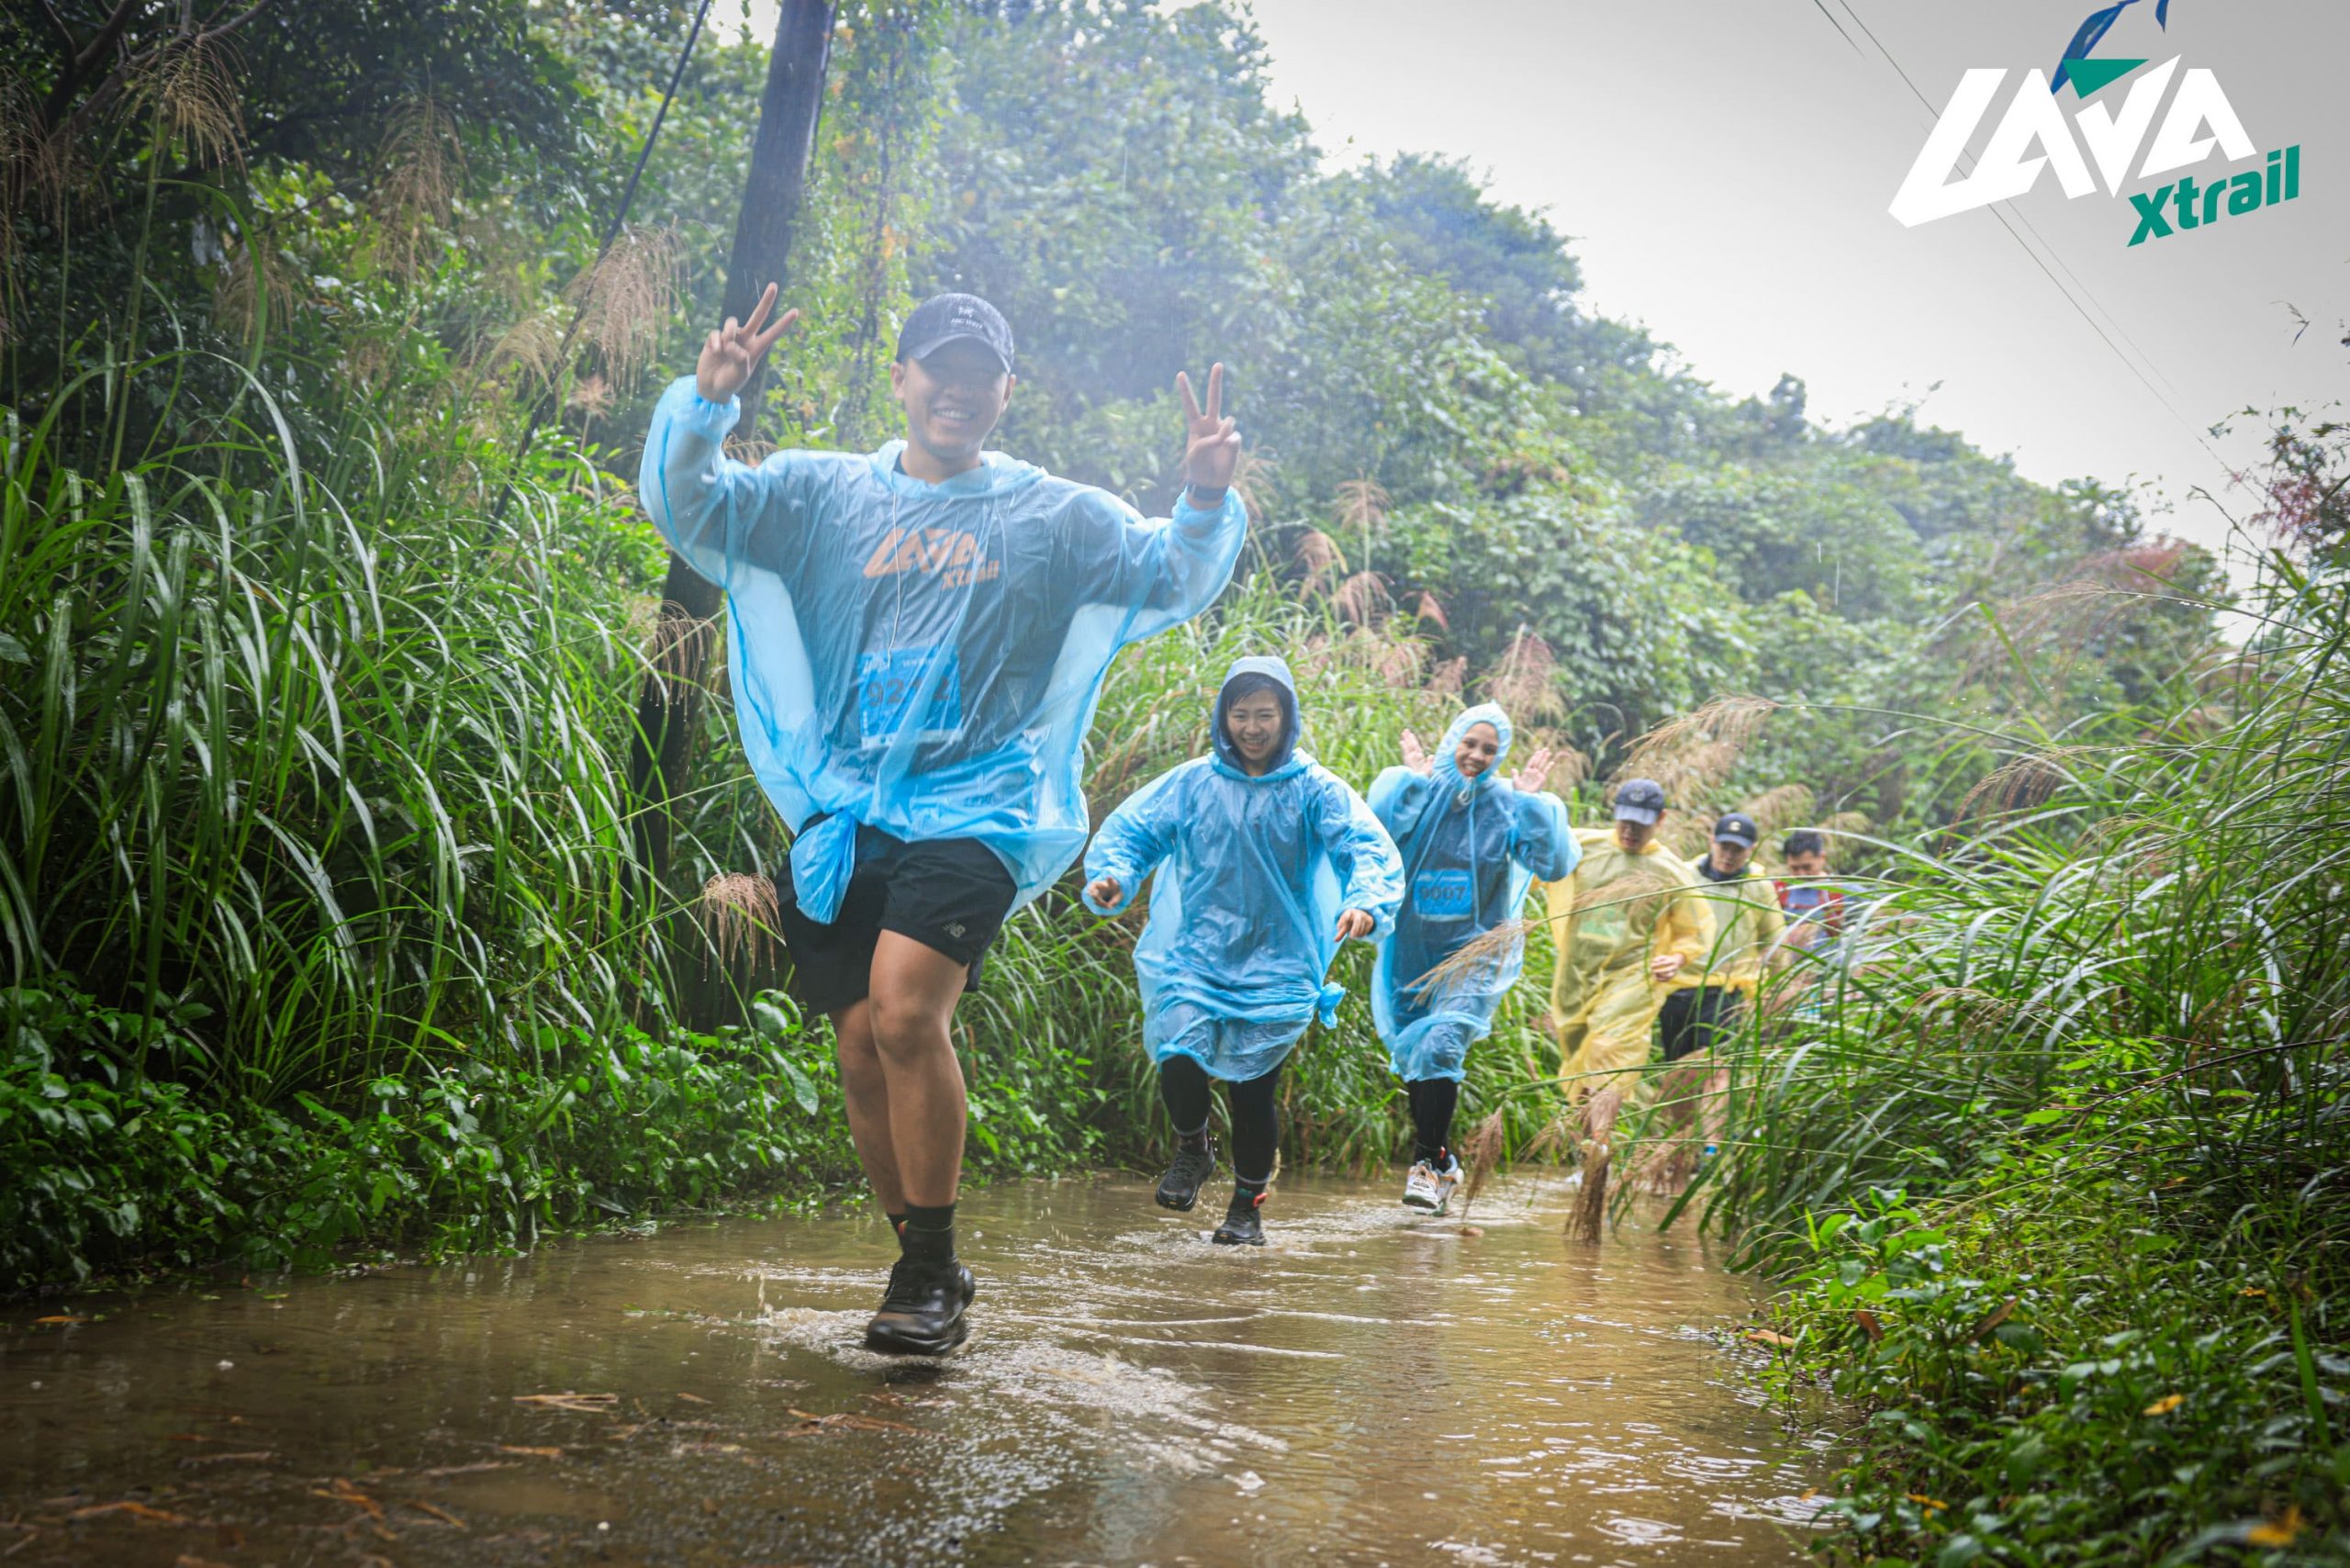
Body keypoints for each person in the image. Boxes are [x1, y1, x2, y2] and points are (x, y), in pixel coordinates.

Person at [639, 287, 1245, 1355]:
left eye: (978, 372)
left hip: (981, 807)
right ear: (903, 378)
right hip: (849, 805)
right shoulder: (822, 495)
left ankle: (922, 1274)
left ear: (1007, 391)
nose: (955, 388)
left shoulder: (1054, 515)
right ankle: (926, 1256)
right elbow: (695, 510)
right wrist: (705, 406)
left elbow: (1169, 572)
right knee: (862, 1046)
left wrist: (1201, 497)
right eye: (937, 366)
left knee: (906, 1009)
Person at [1081, 656, 1404, 1247]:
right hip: (1198, 953)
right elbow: (1135, 833)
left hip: (1280, 963)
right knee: (1177, 1049)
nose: (1252, 727)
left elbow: (1365, 847)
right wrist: (1115, 876)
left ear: (1286, 718)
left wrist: (1365, 901)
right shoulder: (1192, 783)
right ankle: (1193, 1147)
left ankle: (1246, 1207)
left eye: (1265, 714)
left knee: (1253, 1091)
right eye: (1240, 714)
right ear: (1222, 718)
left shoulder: (1315, 789)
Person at [1368, 704, 1575, 1215]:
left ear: (1499, 755)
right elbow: (1375, 837)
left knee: (1440, 1045)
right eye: (1470, 744)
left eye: (1489, 749)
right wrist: (1409, 785)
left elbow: (1553, 863)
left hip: (1476, 953)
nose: (1477, 756)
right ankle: (1443, 1162)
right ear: (1452, 741)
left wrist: (1530, 803)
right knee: (1418, 1061)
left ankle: (1423, 1166)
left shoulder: (1507, 804)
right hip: (1412, 950)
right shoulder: (1421, 790)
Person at [1655, 812, 1785, 1159]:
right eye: (1724, 846)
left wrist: (1778, 989)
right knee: (1680, 1074)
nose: (1729, 855)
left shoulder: (1758, 886)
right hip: (1678, 990)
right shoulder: (1683, 875)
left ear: (1751, 850)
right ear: (1712, 841)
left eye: (1738, 850)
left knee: (1717, 1071)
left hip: (1729, 992)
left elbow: (1775, 942)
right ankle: (1682, 1152)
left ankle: (1712, 1151)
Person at [1775, 828, 1846, 958]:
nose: (1801, 874)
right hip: (1787, 972)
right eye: (1794, 868)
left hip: (1828, 972)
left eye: (1807, 867)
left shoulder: (1839, 890)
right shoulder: (1779, 890)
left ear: (1822, 858)